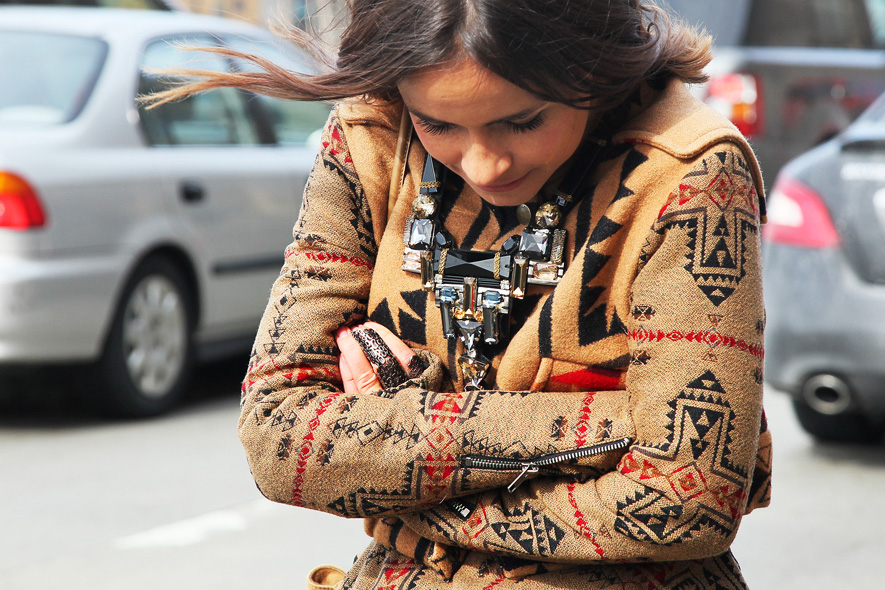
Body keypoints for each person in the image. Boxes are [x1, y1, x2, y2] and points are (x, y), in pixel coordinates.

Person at [167, 1, 773, 588]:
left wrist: (395, 459)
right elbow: (278, 438)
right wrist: (613, 424)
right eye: (439, 125)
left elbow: (690, 501)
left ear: (591, 65)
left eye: (523, 120)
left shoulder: (694, 173)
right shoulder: (370, 133)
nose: (484, 165)